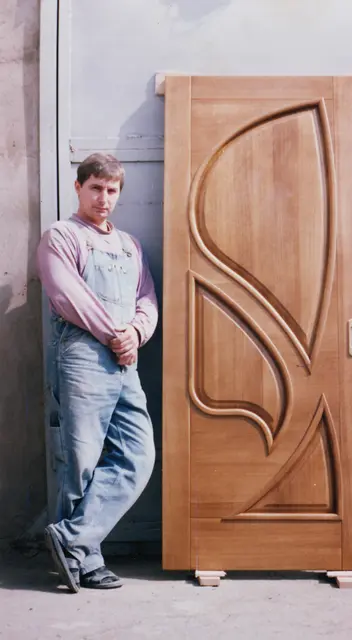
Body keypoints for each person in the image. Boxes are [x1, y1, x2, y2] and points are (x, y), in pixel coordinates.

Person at [37, 153, 158, 592]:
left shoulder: (130, 246)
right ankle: (85, 562)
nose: (103, 198)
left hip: (125, 360)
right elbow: (69, 296)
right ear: (79, 187)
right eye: (95, 188)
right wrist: (116, 336)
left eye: (111, 190)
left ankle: (70, 539)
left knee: (138, 456)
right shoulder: (62, 236)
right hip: (84, 357)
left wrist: (136, 332)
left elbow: (147, 299)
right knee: (81, 460)